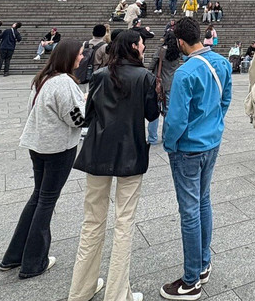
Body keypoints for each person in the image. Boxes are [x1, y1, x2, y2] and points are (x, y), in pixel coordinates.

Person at [68, 29, 159, 301]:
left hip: (97, 153)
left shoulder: (98, 76)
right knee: (124, 223)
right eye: (142, 44)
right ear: (133, 46)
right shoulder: (145, 77)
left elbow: (88, 116)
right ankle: (117, 295)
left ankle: (80, 291)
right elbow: (152, 114)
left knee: (92, 222)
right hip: (130, 153)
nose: (144, 48)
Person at [0, 39, 85, 280]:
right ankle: (33, 262)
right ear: (69, 57)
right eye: (79, 54)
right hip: (58, 147)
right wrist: (89, 107)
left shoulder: (42, 78)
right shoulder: (64, 82)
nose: (81, 58)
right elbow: (76, 119)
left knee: (38, 196)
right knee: (46, 201)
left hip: (38, 144)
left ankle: (14, 255)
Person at [160, 17, 232, 300]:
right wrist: (212, 125)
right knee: (203, 201)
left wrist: (168, 143)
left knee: (189, 211)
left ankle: (191, 281)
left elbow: (176, 119)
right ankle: (203, 264)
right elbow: (225, 101)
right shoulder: (223, 63)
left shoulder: (185, 73)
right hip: (212, 143)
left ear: (179, 42)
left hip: (188, 149)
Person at [149, 27, 183, 146]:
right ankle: (165, 136)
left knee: (155, 112)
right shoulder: (178, 53)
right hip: (171, 84)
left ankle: (152, 138)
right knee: (168, 112)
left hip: (158, 84)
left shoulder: (160, 51)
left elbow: (151, 65)